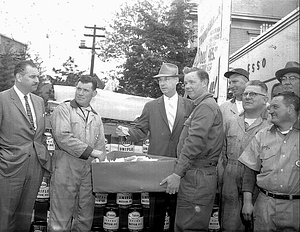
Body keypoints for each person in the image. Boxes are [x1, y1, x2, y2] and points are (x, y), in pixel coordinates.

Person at [116, 62, 194, 231]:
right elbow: (140, 131)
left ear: (176, 81)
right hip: (157, 168)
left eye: (166, 79)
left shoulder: (190, 105)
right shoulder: (151, 106)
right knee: (155, 217)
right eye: (160, 80)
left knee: (178, 216)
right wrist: (127, 132)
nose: (163, 84)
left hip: (181, 168)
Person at [161, 67, 224, 231]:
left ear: (204, 83)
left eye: (192, 82)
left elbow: (194, 143)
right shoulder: (201, 106)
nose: (187, 86)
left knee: (189, 226)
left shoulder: (205, 107)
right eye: (185, 82)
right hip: (196, 174)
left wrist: (177, 173)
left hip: (197, 176)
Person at [48, 75, 106, 231]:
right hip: (66, 169)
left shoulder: (96, 117)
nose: (80, 93)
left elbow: (101, 146)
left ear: (94, 94)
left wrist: (101, 162)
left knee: (85, 218)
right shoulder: (63, 109)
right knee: (60, 219)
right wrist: (93, 152)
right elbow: (63, 136)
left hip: (87, 173)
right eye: (78, 88)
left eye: (86, 90)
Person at [0, 60, 52, 231]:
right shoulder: (2, 99)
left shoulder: (38, 101)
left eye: (38, 76)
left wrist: (44, 162)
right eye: (32, 76)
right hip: (9, 168)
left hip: (35, 167)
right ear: (19, 77)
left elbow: (39, 135)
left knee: (25, 216)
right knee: (4, 218)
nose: (37, 80)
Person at [239, 91, 300, 231]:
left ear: (290, 109)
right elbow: (249, 172)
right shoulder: (262, 135)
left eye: (275, 107)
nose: (269, 110)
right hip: (265, 205)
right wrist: (247, 202)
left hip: (296, 206)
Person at [220, 80, 271, 232]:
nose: (247, 97)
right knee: (229, 226)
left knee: (257, 225)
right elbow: (223, 153)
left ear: (265, 99)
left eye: (253, 94)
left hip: (258, 182)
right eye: (245, 94)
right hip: (230, 181)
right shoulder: (231, 122)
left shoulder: (270, 125)